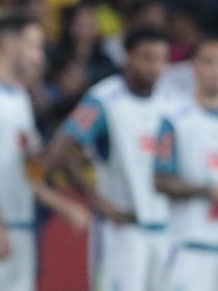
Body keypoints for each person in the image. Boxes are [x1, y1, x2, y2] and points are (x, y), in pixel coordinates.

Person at [0, 15, 89, 291]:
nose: (39, 55)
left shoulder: (19, 96)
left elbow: (26, 169)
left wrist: (64, 206)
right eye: (34, 45)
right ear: (9, 45)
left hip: (19, 224)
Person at [42, 27, 173, 291]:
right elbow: (61, 151)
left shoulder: (170, 102)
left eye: (160, 59)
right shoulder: (104, 100)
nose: (154, 67)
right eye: (147, 58)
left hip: (165, 228)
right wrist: (99, 202)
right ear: (128, 57)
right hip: (122, 228)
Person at [153, 37, 218, 291]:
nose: (216, 71)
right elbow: (161, 180)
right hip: (190, 243)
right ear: (194, 68)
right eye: (208, 62)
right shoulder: (174, 120)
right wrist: (209, 191)